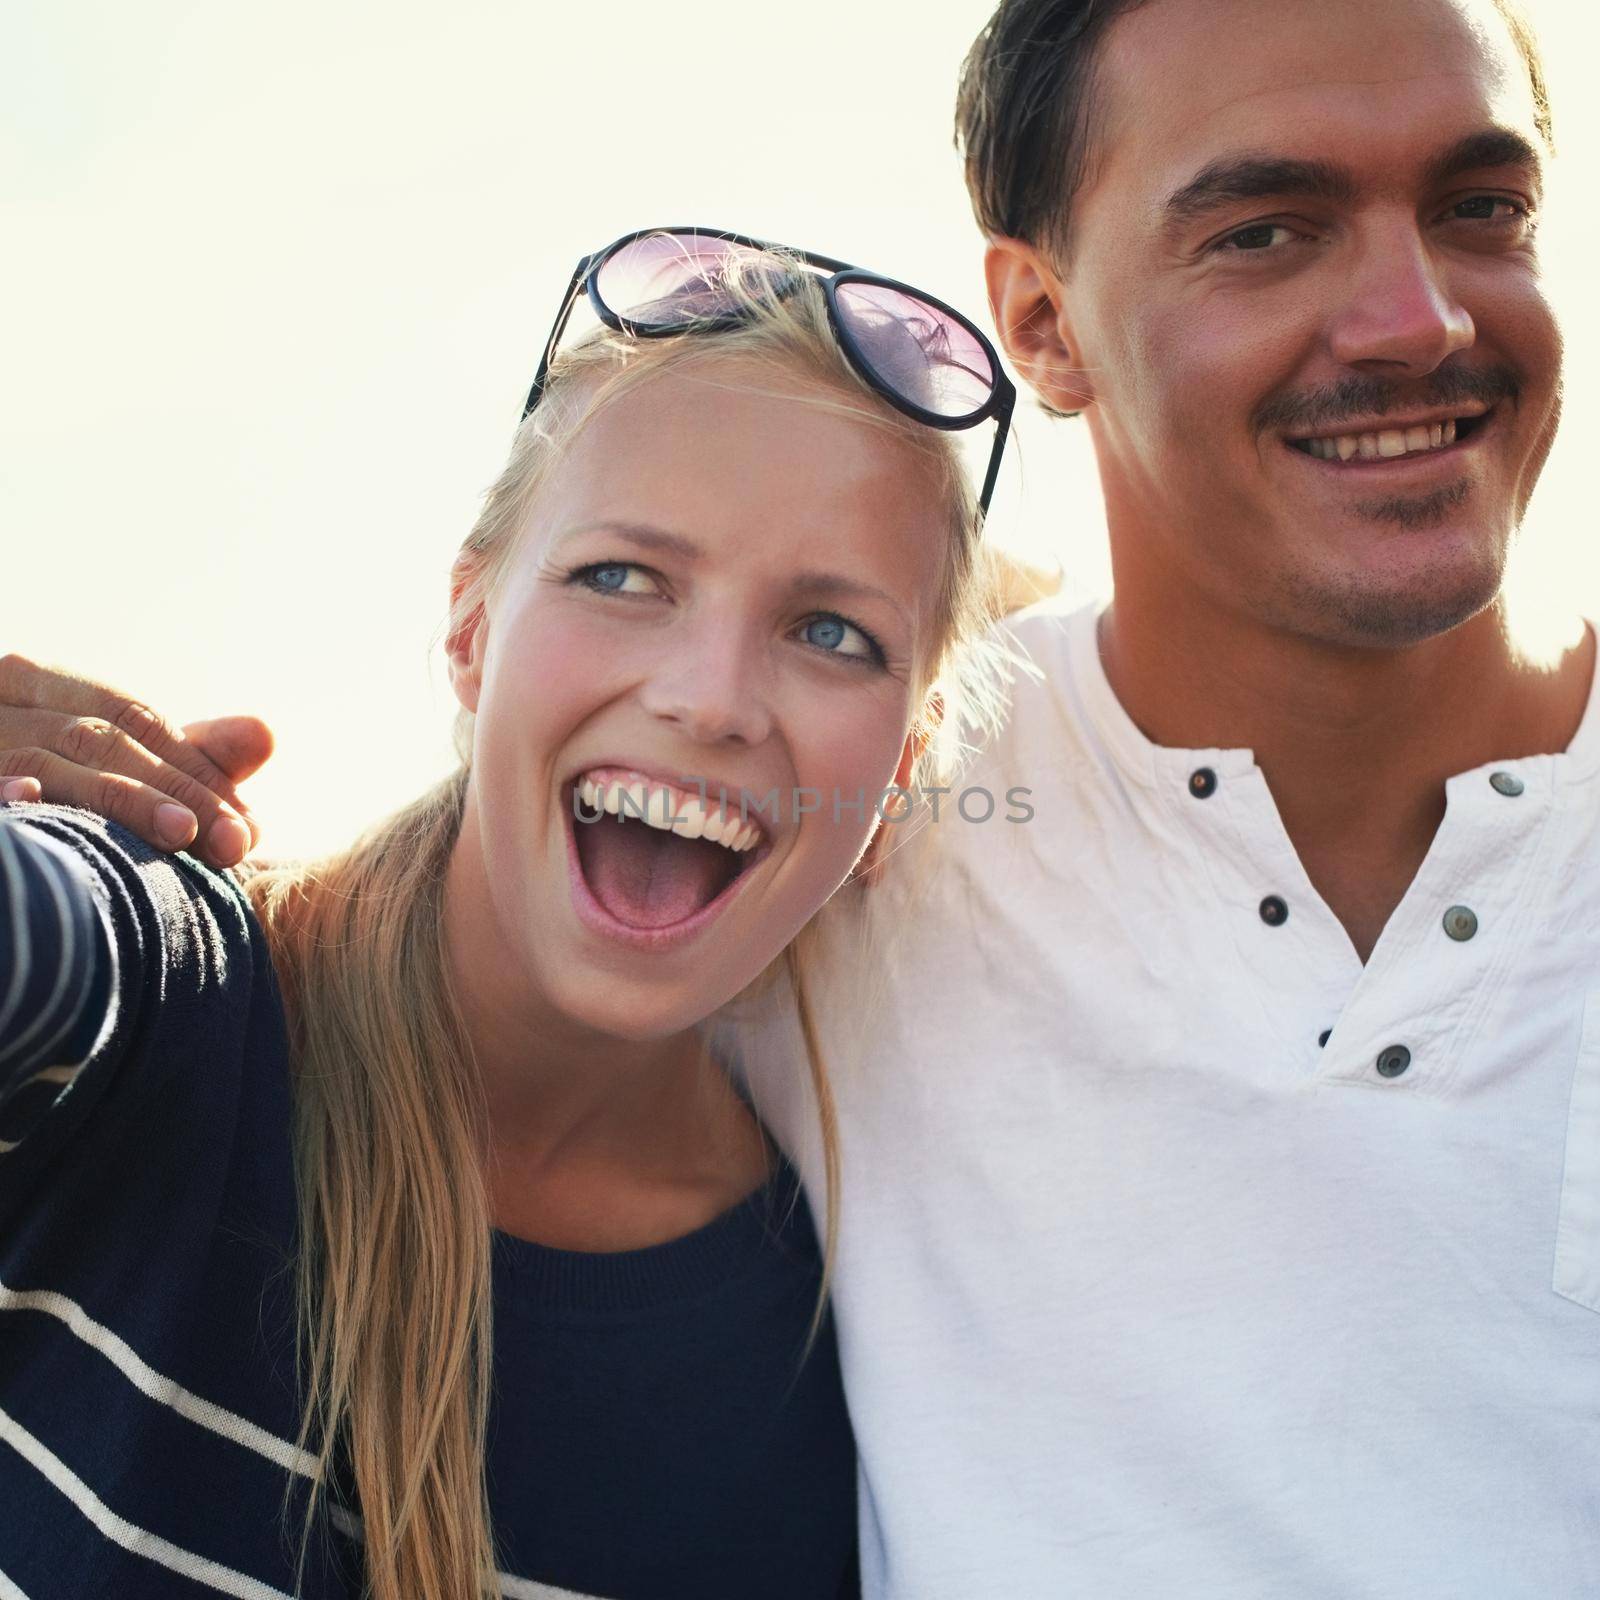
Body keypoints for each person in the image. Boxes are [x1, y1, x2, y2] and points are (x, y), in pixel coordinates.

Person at [719, 1, 1600, 1596]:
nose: (1418, 319)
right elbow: (369, 1000)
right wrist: (124, 848)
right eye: (1266, 231)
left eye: (1482, 208)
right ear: (1044, 325)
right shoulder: (869, 819)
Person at [0, 231, 1020, 1600]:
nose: (710, 698)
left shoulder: (824, 1381)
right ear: (471, 628)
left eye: (832, 633)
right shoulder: (159, 991)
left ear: (898, 779)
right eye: (621, 577)